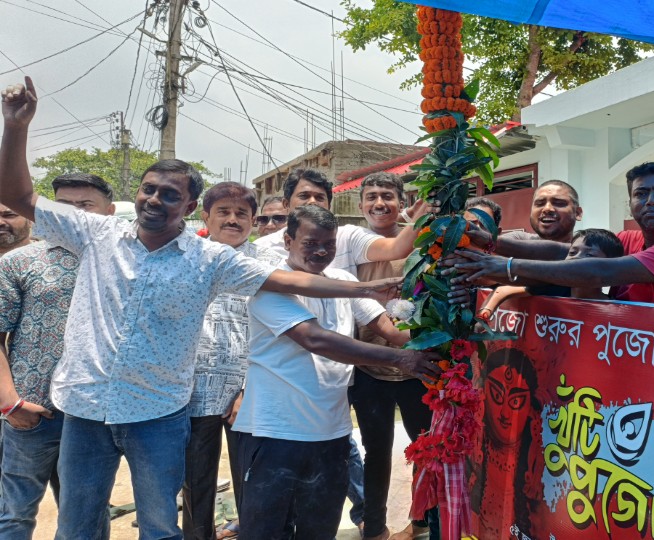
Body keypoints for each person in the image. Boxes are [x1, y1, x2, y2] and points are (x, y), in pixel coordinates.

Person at [0, 77, 438, 540]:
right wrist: (16, 126)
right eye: (149, 189)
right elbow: (17, 197)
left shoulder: (210, 258)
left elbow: (286, 281)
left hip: (157, 413)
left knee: (161, 528)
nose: (154, 199)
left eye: (170, 194)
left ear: (189, 206)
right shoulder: (96, 233)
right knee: (77, 527)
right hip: (86, 408)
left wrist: (367, 289)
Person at [233, 205, 433, 540]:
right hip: (277, 433)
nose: (321, 251)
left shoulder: (344, 281)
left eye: (329, 244)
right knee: (266, 531)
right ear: (288, 241)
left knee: (319, 529)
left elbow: (389, 329)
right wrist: (402, 360)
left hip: (332, 433)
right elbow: (317, 340)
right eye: (310, 243)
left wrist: (445, 339)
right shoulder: (270, 286)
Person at [0, 173, 114, 538]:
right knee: (14, 513)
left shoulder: (123, 264)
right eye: (63, 206)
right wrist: (10, 403)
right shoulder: (19, 262)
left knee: (87, 515)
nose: (73, 215)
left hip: (93, 413)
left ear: (109, 212)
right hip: (32, 413)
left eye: (85, 206)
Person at [451, 162, 654, 310]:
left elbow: (597, 271)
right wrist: (490, 241)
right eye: (641, 194)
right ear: (631, 203)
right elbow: (562, 253)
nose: (651, 200)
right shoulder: (628, 240)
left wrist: (508, 266)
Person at [182, 183, 283, 540]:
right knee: (196, 484)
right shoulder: (186, 258)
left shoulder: (270, 264)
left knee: (253, 484)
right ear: (205, 216)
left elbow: (277, 332)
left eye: (242, 213)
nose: (232, 219)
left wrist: (249, 388)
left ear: (254, 221)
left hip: (249, 393)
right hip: (193, 393)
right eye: (223, 211)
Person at [351, 173, 438, 540]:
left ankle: (422, 524)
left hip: (418, 369)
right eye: (371, 196)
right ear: (360, 205)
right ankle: (374, 528)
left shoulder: (423, 244)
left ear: (401, 203)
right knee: (375, 452)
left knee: (426, 451)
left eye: (387, 196)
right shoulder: (349, 246)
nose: (379, 203)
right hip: (369, 368)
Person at [254, 168, 426, 274]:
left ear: (329, 205)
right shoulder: (260, 249)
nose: (312, 202)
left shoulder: (348, 236)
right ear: (286, 204)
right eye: (304, 196)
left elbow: (396, 248)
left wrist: (426, 207)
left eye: (320, 197)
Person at [469, 348, 542, 539]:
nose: (504, 414)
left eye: (516, 402)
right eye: (497, 395)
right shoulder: (470, 463)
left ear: (530, 409)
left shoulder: (537, 483)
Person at [478, 228, 625, 317]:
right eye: (572, 252)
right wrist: (485, 315)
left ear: (610, 266)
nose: (576, 259)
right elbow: (503, 290)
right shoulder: (554, 288)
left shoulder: (620, 310)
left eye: (589, 255)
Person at [505, 180, 582, 242]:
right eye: (540, 204)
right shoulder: (517, 239)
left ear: (577, 213)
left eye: (558, 203)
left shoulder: (587, 246)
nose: (547, 209)